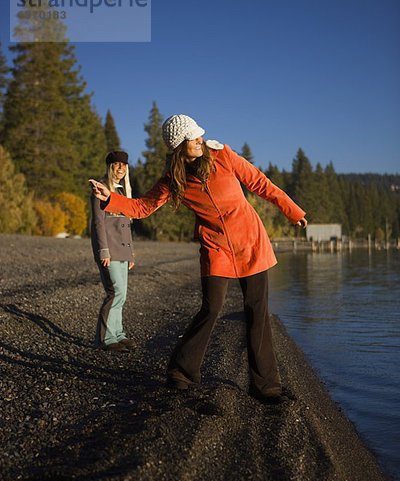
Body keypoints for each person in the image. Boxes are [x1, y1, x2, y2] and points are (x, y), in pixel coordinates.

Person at [90, 115, 307, 401]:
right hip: (215, 247)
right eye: (193, 138)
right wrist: (110, 198)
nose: (200, 140)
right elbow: (143, 207)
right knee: (211, 307)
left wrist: (293, 211)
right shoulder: (174, 179)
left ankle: (266, 386)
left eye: (199, 135)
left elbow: (260, 184)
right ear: (180, 146)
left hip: (250, 241)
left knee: (257, 310)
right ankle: (181, 372)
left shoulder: (223, 156)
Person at [90, 150, 135, 352]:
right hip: (109, 250)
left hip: (123, 251)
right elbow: (98, 223)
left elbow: (126, 225)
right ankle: (106, 339)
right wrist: (104, 251)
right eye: (117, 164)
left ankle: (118, 334)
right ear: (110, 167)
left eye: (124, 165)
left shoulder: (124, 191)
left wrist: (130, 253)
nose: (121, 168)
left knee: (122, 295)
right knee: (114, 292)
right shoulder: (101, 188)